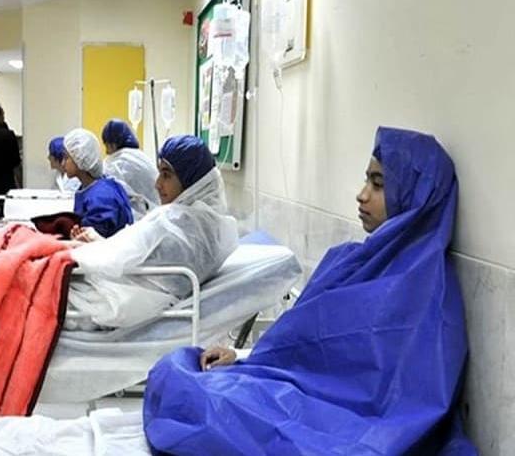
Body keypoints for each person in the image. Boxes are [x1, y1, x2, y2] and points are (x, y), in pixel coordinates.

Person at [142, 127, 476, 455]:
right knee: (175, 373)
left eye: (378, 185)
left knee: (201, 403)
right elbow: (304, 345)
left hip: (347, 421)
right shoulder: (348, 262)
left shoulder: (430, 294)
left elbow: (404, 406)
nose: (362, 195)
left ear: (415, 199)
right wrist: (244, 357)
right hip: (294, 389)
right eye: (366, 181)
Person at [66, 135, 238, 329]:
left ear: (190, 180)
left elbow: (115, 259)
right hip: (137, 291)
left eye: (166, 175)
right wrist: (100, 243)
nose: (157, 184)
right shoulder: (211, 225)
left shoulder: (174, 221)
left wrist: (74, 249)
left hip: (120, 300)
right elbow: (136, 255)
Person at [62, 128, 133, 239]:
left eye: (66, 158)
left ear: (80, 158)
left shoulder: (101, 197)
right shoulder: (90, 188)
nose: (63, 163)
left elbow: (93, 240)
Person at [101, 119, 160, 220]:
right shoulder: (142, 157)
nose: (107, 152)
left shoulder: (117, 162)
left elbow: (106, 187)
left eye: (107, 146)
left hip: (143, 217)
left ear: (113, 144)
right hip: (156, 212)